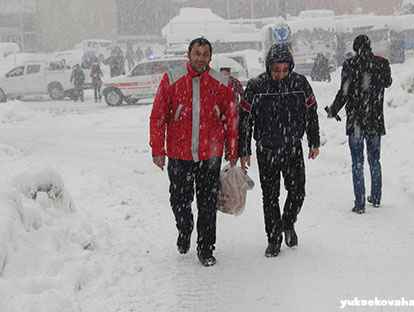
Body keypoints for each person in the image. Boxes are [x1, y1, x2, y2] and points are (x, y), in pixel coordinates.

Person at [149, 37, 238, 266]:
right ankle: (185, 227)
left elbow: (231, 118)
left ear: (210, 57)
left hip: (211, 154)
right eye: (197, 53)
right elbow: (158, 117)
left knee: (207, 203)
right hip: (180, 154)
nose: (201, 58)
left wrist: (233, 150)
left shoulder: (221, 83)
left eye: (205, 54)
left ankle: (206, 248)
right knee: (179, 200)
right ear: (189, 54)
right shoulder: (172, 79)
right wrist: (158, 150)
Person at [238, 43, 320, 258]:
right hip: (266, 151)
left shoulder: (300, 84)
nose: (280, 75)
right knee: (270, 197)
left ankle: (288, 223)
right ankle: (273, 239)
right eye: (276, 70)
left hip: (293, 149)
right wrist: (244, 149)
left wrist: (314, 141)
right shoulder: (256, 86)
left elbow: (311, 112)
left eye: (285, 70)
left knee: (297, 192)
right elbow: (244, 119)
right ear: (268, 67)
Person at [325, 34, 392, 215]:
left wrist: (333, 109)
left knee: (357, 163)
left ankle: (360, 202)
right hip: (375, 119)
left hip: (356, 121)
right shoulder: (382, 63)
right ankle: (376, 197)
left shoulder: (349, 65)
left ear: (355, 48)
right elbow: (388, 82)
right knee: (375, 160)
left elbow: (344, 92)